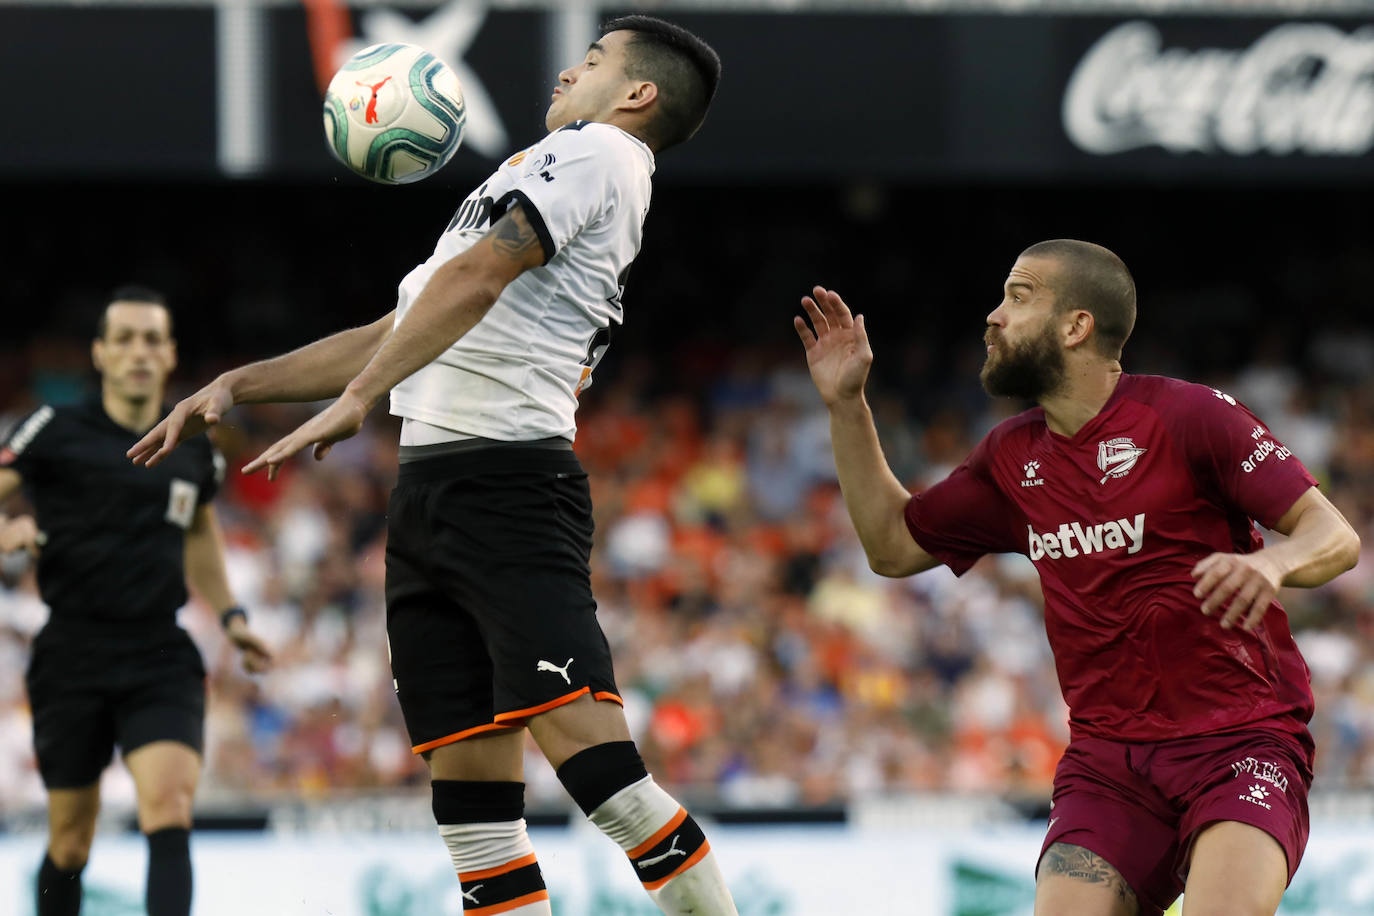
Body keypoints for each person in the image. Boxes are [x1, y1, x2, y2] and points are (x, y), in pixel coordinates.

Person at [129, 16, 737, 916]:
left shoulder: (600, 151)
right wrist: (239, 384)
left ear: (637, 95)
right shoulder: (534, 170)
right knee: (476, 818)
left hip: (508, 489)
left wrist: (359, 398)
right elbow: (403, 322)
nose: (571, 69)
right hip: (431, 498)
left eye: (596, 60)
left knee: (608, 780)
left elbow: (480, 279)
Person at [793, 240, 1360, 916]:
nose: (994, 316)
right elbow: (891, 546)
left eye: (1019, 296)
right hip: (1109, 767)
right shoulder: (1011, 458)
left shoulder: (1189, 417)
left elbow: (1336, 536)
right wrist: (847, 405)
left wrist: (1272, 561)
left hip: (1240, 744)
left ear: (1076, 326)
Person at [0, 287, 272, 916]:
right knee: (70, 841)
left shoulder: (196, 445)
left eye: (152, 338)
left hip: (158, 654)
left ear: (171, 353)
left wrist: (231, 618)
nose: (138, 351)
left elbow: (198, 528)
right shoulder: (55, 429)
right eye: (123, 338)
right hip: (70, 654)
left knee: (169, 810)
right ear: (98, 353)